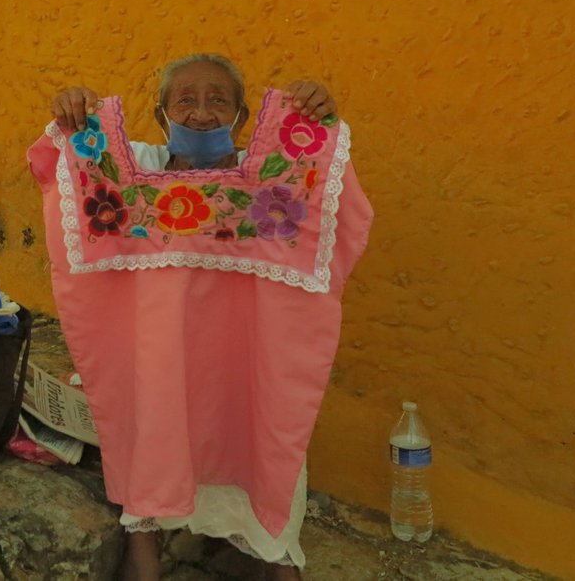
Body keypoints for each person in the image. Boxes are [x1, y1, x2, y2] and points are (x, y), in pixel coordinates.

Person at [32, 53, 370, 581]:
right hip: (159, 346)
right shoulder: (132, 169)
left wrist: (315, 119)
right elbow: (57, 171)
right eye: (184, 100)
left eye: (219, 101)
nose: (201, 112)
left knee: (268, 423)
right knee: (153, 414)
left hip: (247, 350)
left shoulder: (280, 183)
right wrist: (72, 116)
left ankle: (272, 547)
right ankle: (143, 534)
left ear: (241, 117)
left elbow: (342, 211)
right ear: (161, 112)